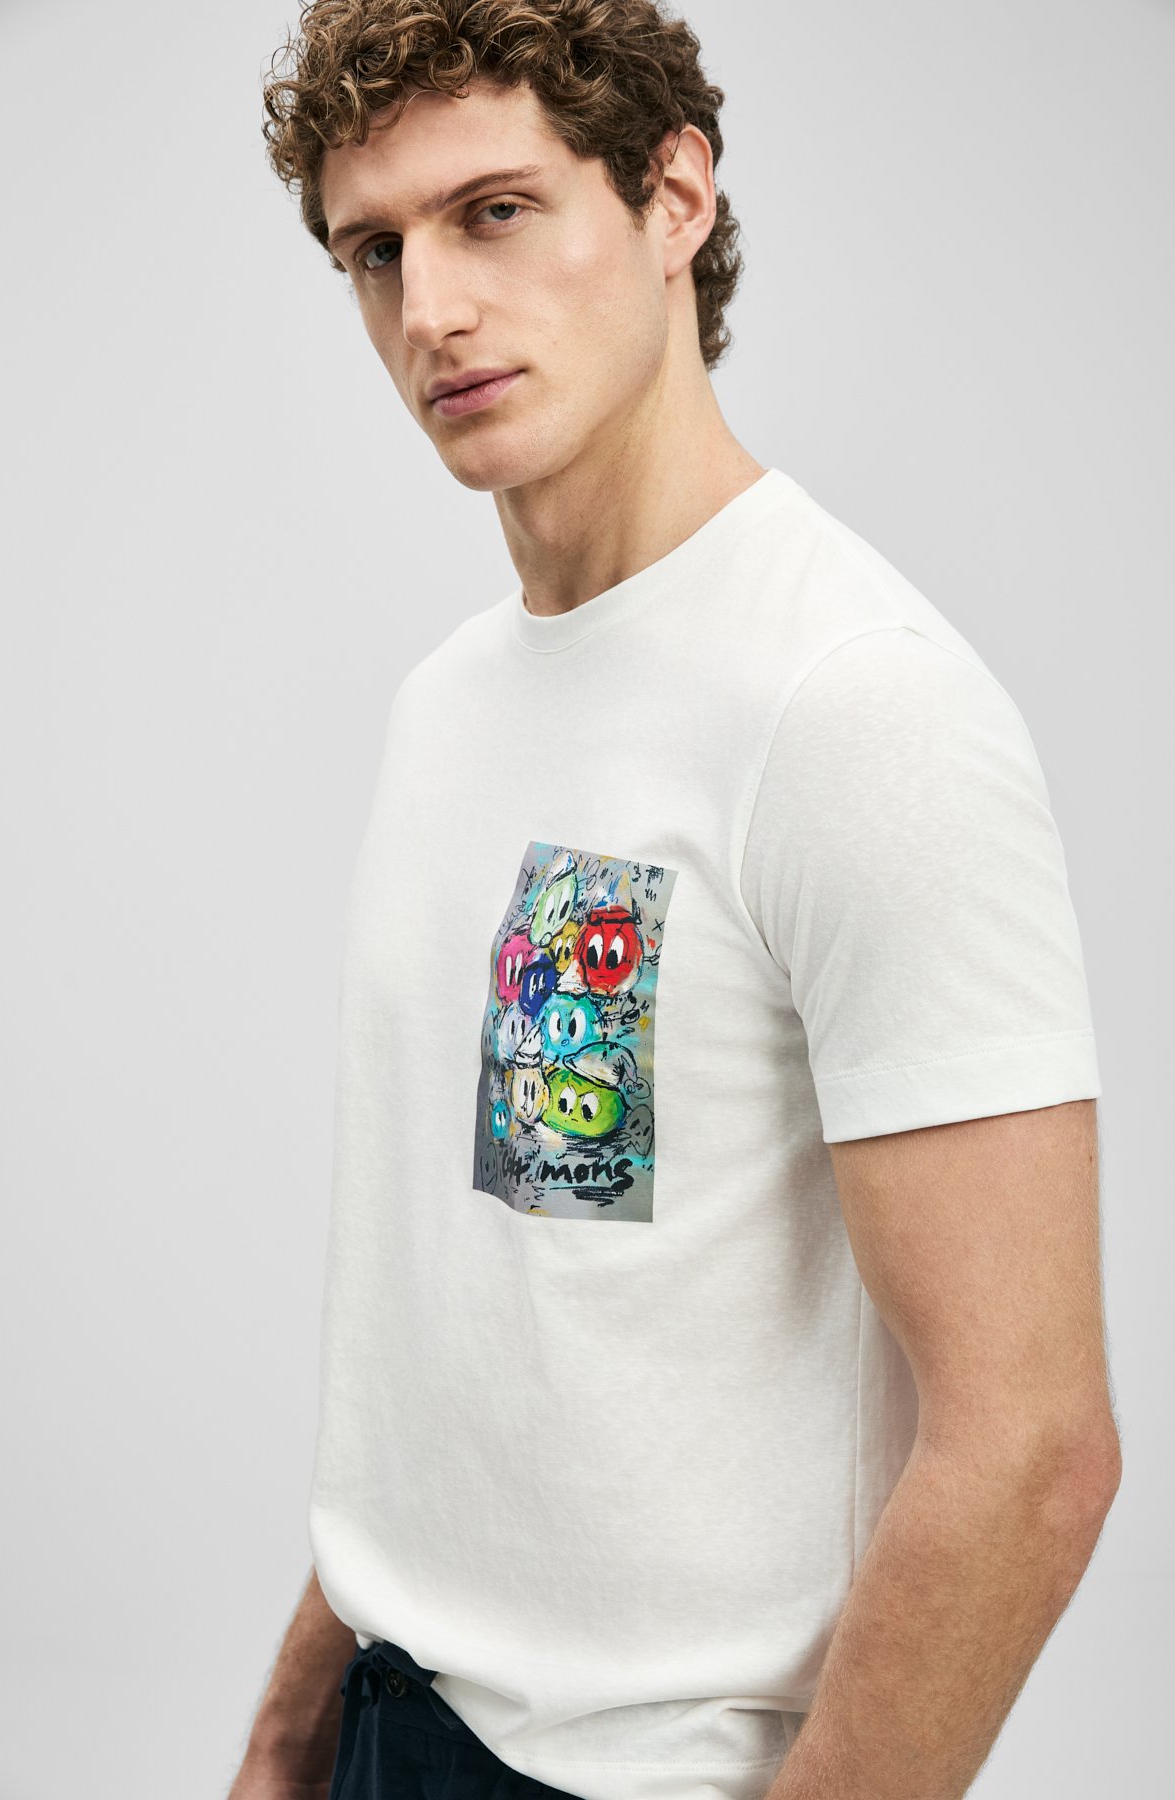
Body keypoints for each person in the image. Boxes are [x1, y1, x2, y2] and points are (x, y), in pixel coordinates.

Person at [229, 3, 1121, 1797]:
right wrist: (288, 1736)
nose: (430, 309)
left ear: (673, 198)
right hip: (392, 1726)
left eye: (494, 212)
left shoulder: (850, 706)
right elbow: (464, 1311)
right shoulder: (449, 707)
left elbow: (1032, 1451)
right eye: (375, 251)